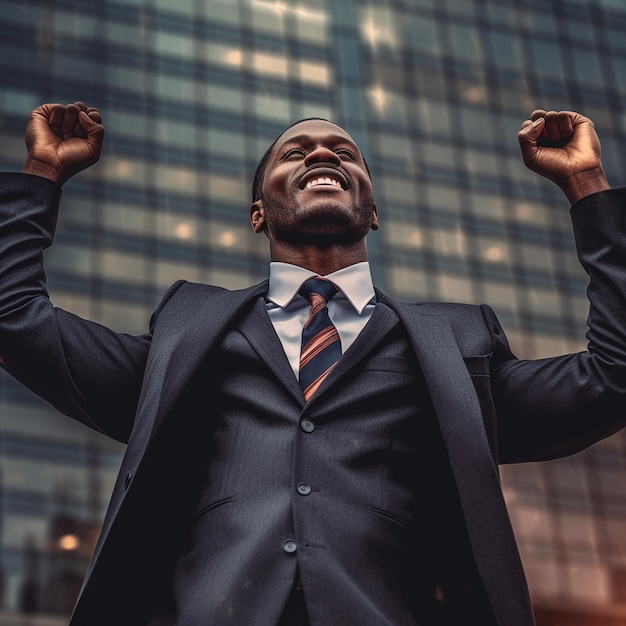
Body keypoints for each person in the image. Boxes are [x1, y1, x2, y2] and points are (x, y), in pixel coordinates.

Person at [0, 101, 625, 626]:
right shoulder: (186, 334)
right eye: (295, 153)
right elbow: (14, 314)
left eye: (345, 152)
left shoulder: (457, 342)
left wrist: (587, 186)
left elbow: (612, 376)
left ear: (372, 213)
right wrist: (42, 171)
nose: (323, 154)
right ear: (257, 213)